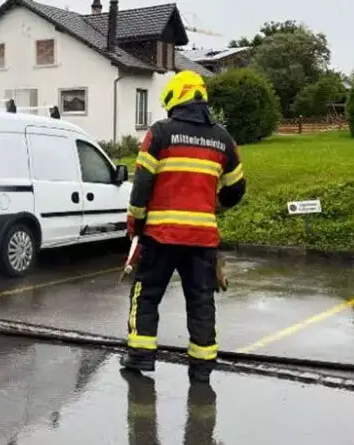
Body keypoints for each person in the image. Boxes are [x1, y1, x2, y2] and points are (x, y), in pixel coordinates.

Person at [121, 70, 246, 384]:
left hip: (160, 236)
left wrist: (136, 224)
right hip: (202, 239)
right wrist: (213, 206)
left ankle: (140, 357)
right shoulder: (223, 139)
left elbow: (142, 186)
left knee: (146, 295)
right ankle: (202, 368)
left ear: (176, 97)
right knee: (201, 302)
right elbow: (236, 189)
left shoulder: (160, 133)